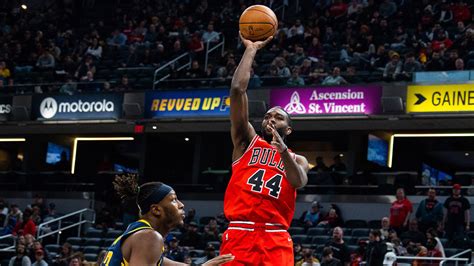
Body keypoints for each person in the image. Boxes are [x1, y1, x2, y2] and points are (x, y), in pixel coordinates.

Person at [220, 33, 310, 265]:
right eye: (268, 115)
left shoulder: (297, 159)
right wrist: (251, 49)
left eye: (278, 117)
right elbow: (237, 91)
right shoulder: (245, 142)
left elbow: (298, 182)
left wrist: (281, 152)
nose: (271, 118)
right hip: (240, 231)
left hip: (276, 236)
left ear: (288, 130)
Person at [101, 174, 233, 266]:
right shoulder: (149, 237)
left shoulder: (139, 233)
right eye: (174, 199)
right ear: (156, 210)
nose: (181, 205)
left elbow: (166, 263)